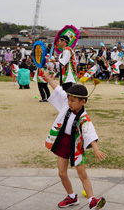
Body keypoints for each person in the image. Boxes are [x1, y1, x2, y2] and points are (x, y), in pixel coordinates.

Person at [43, 70, 107, 210]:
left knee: (82, 174)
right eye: (69, 99)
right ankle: (71, 197)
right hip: (62, 142)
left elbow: (89, 134)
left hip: (76, 146)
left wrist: (96, 150)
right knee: (61, 173)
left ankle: (92, 200)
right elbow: (58, 90)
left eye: (73, 100)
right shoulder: (66, 105)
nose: (69, 102)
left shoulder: (84, 118)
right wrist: (48, 78)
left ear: (82, 102)